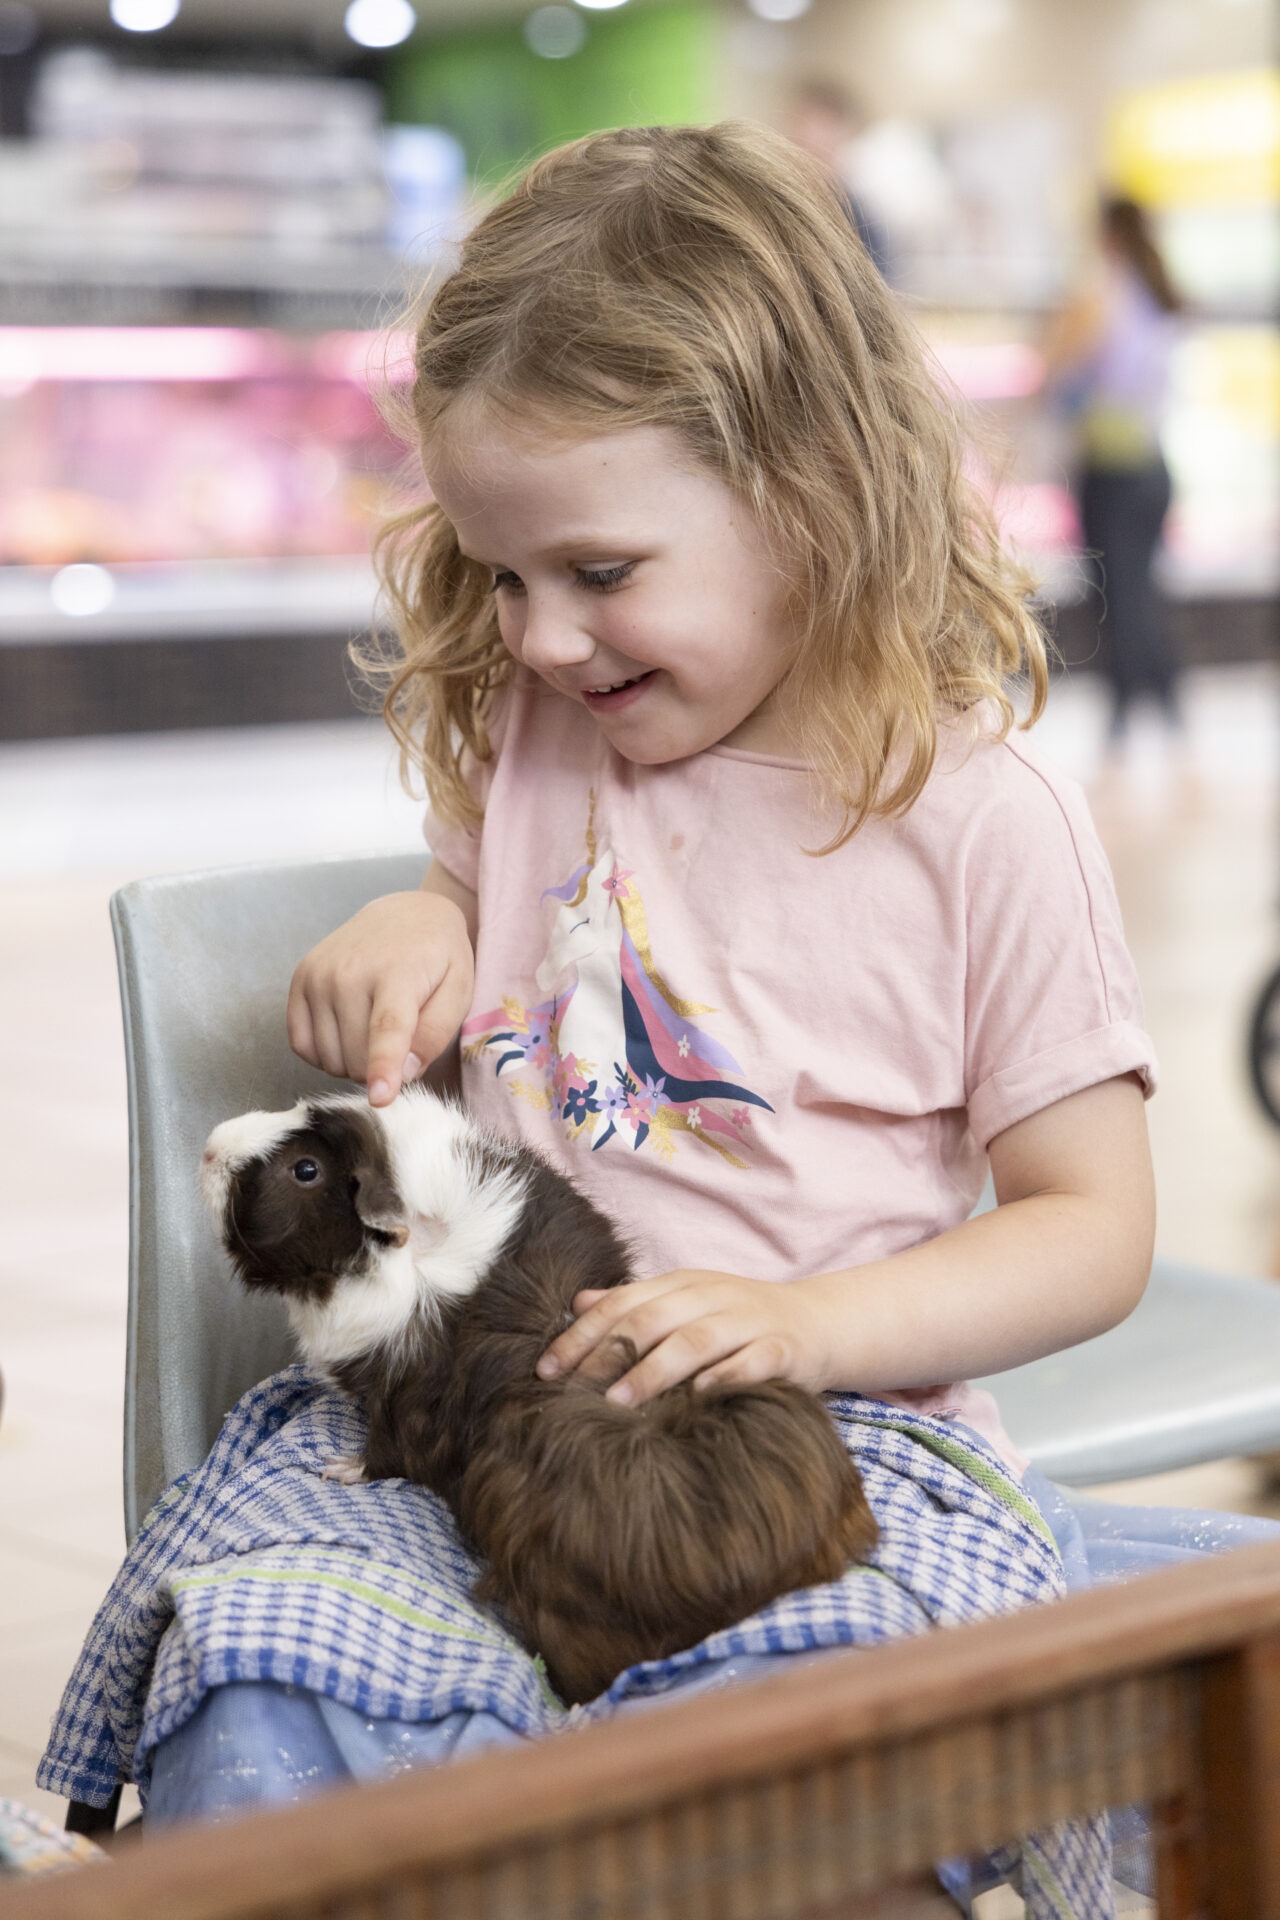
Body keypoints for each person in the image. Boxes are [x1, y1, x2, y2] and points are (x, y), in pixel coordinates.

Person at [122, 126, 1276, 1863]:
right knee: (256, 1668)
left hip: (826, 1441)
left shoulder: (980, 820)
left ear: (814, 494)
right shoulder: (543, 734)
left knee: (805, 1777)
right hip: (470, 1421)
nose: (536, 638)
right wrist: (419, 917)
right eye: (504, 576)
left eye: (598, 574)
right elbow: (480, 900)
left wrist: (808, 1325)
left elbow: (1091, 1228)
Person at [1043, 195, 1185, 739]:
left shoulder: (1100, 296)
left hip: (1112, 470)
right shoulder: (1160, 296)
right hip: (1153, 466)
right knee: (1137, 593)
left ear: (1107, 235)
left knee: (1117, 597)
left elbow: (1052, 368)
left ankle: (1141, 710)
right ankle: (1158, 709)